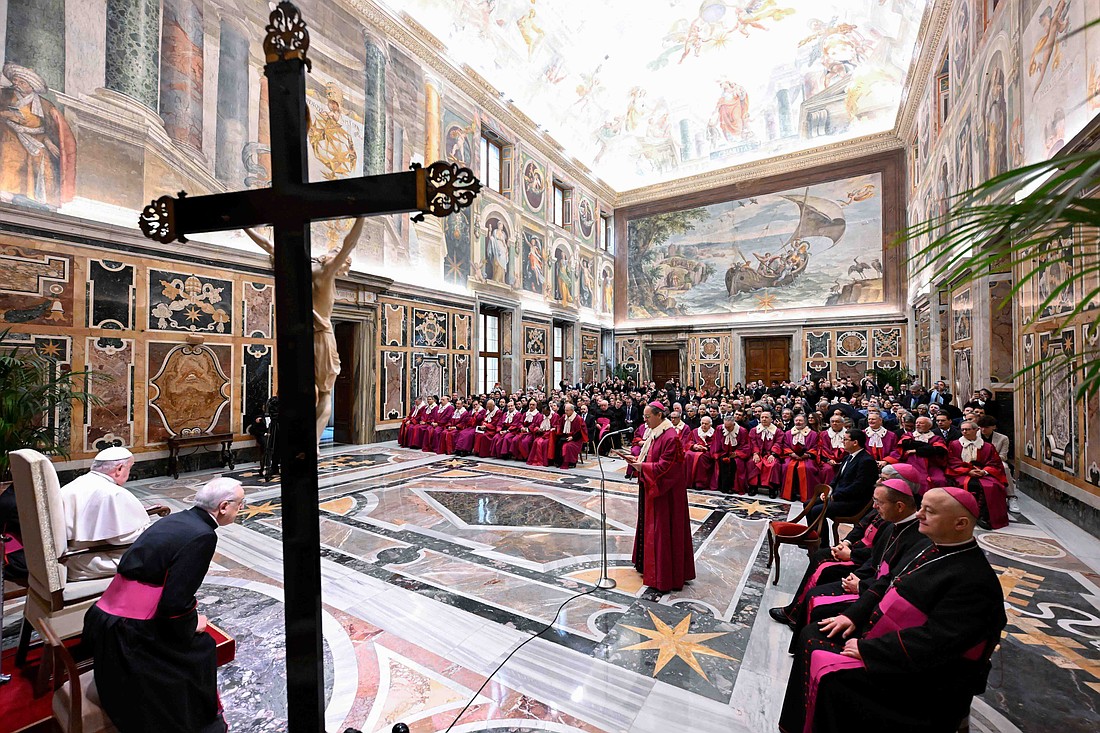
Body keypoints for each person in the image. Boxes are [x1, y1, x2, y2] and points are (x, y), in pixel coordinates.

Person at [778, 487, 1007, 733]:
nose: (918, 515)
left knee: (829, 671)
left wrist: (868, 650)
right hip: (887, 637)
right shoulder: (930, 547)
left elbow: (939, 642)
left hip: (923, 677)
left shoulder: (976, 581)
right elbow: (886, 582)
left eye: (928, 511)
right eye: (921, 508)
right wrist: (852, 615)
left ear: (960, 523)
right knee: (812, 633)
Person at [83, 477, 246, 733]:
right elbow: (174, 604)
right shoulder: (202, 536)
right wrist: (193, 625)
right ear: (224, 506)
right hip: (128, 635)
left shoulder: (178, 519)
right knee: (201, 648)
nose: (242, 509)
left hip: (104, 618)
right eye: (240, 504)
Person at [246, 219, 365, 443]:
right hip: (322, 335)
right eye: (345, 265)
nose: (344, 270)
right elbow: (350, 242)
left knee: (307, 391)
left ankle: (306, 439)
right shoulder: (328, 271)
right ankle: (314, 441)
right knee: (325, 393)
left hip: (301, 336)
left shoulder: (302, 266)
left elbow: (268, 245)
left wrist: (245, 227)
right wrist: (362, 216)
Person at [624, 402, 695, 593]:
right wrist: (638, 462)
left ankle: (663, 576)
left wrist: (643, 468)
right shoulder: (656, 433)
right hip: (652, 487)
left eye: (647, 417)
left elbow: (666, 467)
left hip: (666, 494)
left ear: (659, 416)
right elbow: (652, 458)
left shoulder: (670, 437)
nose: (645, 421)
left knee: (663, 530)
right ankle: (648, 565)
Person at [60, 447, 153, 581]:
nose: (129, 473)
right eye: (129, 468)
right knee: (159, 555)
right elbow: (123, 539)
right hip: (92, 561)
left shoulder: (75, 484)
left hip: (72, 558)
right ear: (119, 469)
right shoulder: (112, 493)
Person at [808, 429, 878, 526]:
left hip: (853, 502)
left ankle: (822, 541)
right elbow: (836, 479)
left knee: (816, 510)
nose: (842, 441)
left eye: (845, 439)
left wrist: (835, 496)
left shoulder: (866, 461)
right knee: (808, 504)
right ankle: (814, 536)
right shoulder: (848, 457)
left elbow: (858, 487)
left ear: (855, 442)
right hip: (840, 496)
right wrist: (828, 492)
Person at [947, 421, 1009, 529]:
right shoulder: (955, 444)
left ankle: (984, 517)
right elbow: (952, 461)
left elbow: (995, 462)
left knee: (993, 487)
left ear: (976, 430)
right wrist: (968, 471)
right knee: (967, 485)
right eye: (962, 430)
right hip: (962, 473)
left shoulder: (987, 446)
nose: (964, 432)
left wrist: (984, 471)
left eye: (968, 429)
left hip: (983, 472)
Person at [978, 414, 1019, 514]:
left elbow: (1003, 456)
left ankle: (1011, 496)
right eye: (981, 427)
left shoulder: (1003, 438)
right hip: (977, 461)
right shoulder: (975, 436)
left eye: (986, 427)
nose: (983, 430)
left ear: (994, 427)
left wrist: (991, 460)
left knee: (1005, 467)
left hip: (996, 462)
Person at [778, 414, 822, 503]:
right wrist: (792, 454)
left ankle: (806, 495)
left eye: (800, 421)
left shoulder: (813, 434)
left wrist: (807, 455)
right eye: (796, 420)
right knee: (787, 467)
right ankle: (790, 494)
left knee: (806, 468)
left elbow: (815, 447)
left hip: (807, 457)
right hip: (791, 457)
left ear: (805, 422)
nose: (798, 422)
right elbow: (785, 445)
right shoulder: (788, 433)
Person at [747, 409, 782, 498]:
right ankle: (753, 487)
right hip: (758, 453)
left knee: (773, 465)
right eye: (762, 417)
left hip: (770, 454)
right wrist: (755, 453)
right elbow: (752, 442)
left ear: (771, 419)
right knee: (752, 463)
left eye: (766, 417)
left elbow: (778, 443)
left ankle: (772, 489)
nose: (764, 419)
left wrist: (773, 454)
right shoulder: (754, 430)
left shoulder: (777, 431)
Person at [712, 413, 750, 494]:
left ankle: (732, 487)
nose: (727, 428)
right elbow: (716, 442)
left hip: (737, 454)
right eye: (725, 426)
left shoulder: (742, 431)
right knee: (721, 462)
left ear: (734, 424)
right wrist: (719, 454)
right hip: (723, 452)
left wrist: (737, 453)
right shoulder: (719, 429)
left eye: (729, 427)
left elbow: (745, 446)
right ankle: (723, 486)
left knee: (734, 464)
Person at [682, 415, 717, 490]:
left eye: (706, 424)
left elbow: (715, 445)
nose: (703, 425)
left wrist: (706, 448)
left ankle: (700, 483)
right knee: (688, 455)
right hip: (695, 449)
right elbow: (689, 441)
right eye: (702, 423)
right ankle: (688, 481)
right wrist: (693, 446)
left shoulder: (714, 433)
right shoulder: (695, 431)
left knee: (701, 457)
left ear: (710, 425)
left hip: (707, 452)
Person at [558, 403, 588, 468]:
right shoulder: (564, 417)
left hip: (576, 439)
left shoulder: (578, 419)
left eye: (567, 410)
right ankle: (559, 462)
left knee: (568, 446)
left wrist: (572, 437)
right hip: (565, 436)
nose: (565, 412)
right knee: (557, 443)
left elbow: (581, 431)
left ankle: (571, 462)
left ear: (572, 410)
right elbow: (560, 427)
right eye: (565, 410)